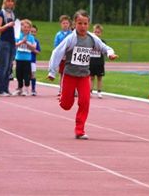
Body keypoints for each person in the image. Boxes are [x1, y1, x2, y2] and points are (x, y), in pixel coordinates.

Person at [48, 9, 118, 140]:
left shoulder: (92, 38)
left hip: (84, 76)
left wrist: (110, 53)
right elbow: (57, 52)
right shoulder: (71, 39)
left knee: (85, 102)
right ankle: (64, 97)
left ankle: (79, 130)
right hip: (69, 75)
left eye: (85, 23)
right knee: (66, 105)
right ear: (74, 24)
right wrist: (52, 72)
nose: (83, 26)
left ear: (89, 24)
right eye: (80, 23)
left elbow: (104, 47)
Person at [0, 0, 16, 96]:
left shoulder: (12, 14)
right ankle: (0, 89)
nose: (10, 3)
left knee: (9, 66)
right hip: (4, 42)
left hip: (12, 42)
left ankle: (6, 88)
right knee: (3, 65)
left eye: (12, 1)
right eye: (8, 0)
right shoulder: (1, 13)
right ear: (4, 2)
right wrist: (7, 25)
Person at [12, 19, 36, 96]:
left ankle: (26, 89)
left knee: (26, 75)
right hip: (19, 58)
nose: (26, 28)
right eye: (24, 27)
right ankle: (19, 88)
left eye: (27, 27)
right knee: (18, 75)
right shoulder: (18, 35)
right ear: (21, 27)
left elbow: (33, 48)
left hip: (27, 59)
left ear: (30, 28)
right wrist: (22, 42)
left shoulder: (31, 37)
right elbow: (15, 45)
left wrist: (27, 43)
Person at [53, 15, 73, 95]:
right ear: (61, 24)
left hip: (70, 57)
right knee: (62, 74)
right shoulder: (58, 35)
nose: (65, 24)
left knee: (71, 74)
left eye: (67, 23)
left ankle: (71, 90)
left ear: (69, 24)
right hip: (62, 57)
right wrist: (61, 54)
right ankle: (61, 89)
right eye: (63, 23)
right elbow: (56, 46)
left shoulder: (72, 34)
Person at [89, 24, 106, 98]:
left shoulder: (103, 42)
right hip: (91, 62)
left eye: (98, 32)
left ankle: (99, 92)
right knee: (91, 78)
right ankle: (90, 91)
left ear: (101, 33)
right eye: (95, 32)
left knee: (99, 78)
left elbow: (104, 51)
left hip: (99, 62)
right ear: (93, 32)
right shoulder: (89, 41)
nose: (96, 33)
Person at [30, 24, 41, 96]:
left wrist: (32, 49)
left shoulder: (36, 41)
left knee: (33, 75)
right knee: (23, 75)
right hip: (24, 60)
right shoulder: (25, 39)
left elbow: (38, 52)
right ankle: (22, 88)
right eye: (31, 32)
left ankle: (33, 89)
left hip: (32, 60)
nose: (33, 33)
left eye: (34, 32)